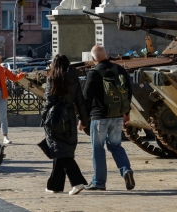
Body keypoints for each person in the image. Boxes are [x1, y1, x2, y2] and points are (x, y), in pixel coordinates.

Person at [83, 45, 135, 191]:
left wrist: (82, 118)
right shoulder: (119, 69)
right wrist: (126, 112)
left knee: (98, 149)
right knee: (116, 146)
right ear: (106, 54)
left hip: (99, 117)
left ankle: (99, 182)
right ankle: (126, 170)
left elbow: (86, 98)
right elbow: (128, 92)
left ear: (93, 58)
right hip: (117, 116)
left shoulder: (93, 73)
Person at [42, 54, 90, 195]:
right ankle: (54, 185)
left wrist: (44, 118)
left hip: (55, 116)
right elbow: (80, 101)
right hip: (69, 116)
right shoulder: (74, 78)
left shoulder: (52, 79)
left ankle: (77, 182)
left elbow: (48, 101)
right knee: (60, 149)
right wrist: (83, 120)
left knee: (61, 151)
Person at [0, 52, 25, 144]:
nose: (1, 60)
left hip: (2, 93)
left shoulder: (3, 69)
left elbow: (13, 77)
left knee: (3, 116)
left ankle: (5, 137)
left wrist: (22, 74)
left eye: (1, 58)